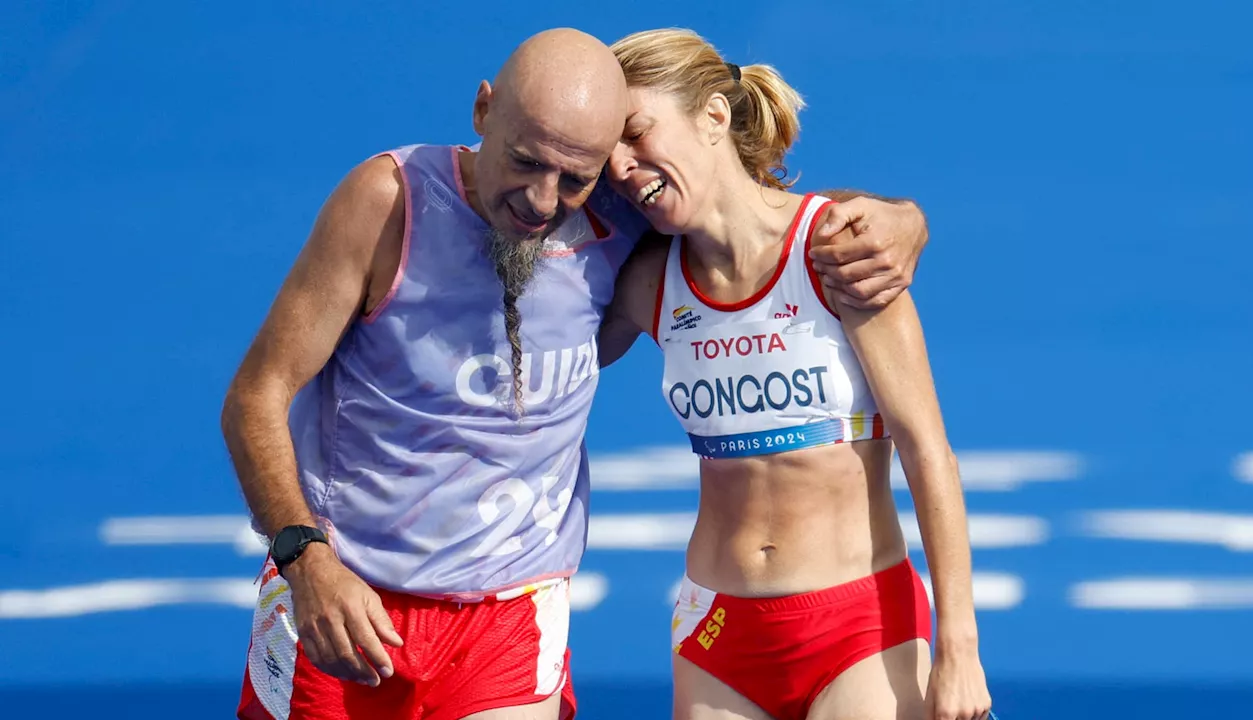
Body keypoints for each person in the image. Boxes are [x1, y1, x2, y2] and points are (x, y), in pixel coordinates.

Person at [221, 26, 933, 720]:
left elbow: (755, 217)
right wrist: (305, 559)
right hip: (345, 600)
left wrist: (900, 220)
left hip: (513, 616)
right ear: (482, 111)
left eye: (574, 178)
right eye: (525, 163)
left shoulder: (621, 218)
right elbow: (256, 395)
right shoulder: (389, 203)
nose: (540, 199)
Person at [600, 28, 992, 720]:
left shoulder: (839, 250)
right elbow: (539, 366)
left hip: (860, 626)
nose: (624, 167)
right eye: (609, 156)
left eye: (636, 133)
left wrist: (961, 649)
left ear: (714, 116)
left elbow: (929, 452)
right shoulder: (646, 282)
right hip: (717, 631)